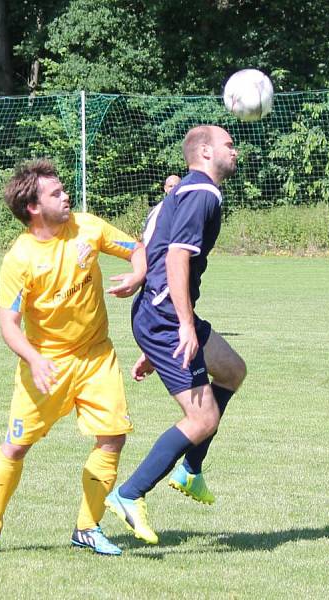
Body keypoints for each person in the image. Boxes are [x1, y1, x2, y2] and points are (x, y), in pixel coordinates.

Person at [0, 159, 146, 558]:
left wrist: (137, 274)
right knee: (16, 446)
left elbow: (138, 249)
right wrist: (34, 358)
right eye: (55, 193)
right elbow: (9, 324)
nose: (66, 196)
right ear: (33, 207)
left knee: (113, 438)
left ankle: (87, 527)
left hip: (97, 356)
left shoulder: (88, 227)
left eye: (63, 190)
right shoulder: (20, 259)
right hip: (46, 363)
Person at [104, 125, 247, 544]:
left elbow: (154, 244)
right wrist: (180, 325)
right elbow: (178, 256)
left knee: (233, 371)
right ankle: (128, 494)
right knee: (202, 418)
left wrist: (150, 296)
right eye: (228, 145)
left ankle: (190, 469)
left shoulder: (185, 191)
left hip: (162, 313)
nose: (235, 151)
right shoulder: (201, 193)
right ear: (205, 152)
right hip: (167, 317)